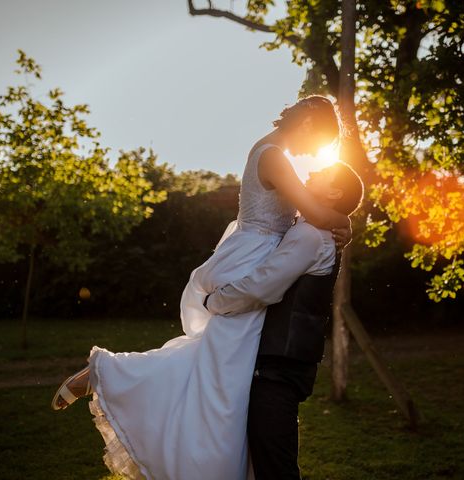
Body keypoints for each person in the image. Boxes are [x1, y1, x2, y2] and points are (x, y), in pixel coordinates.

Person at [51, 95, 352, 480]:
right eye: (318, 143)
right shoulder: (274, 155)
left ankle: (114, 381)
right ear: (310, 121)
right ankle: (108, 376)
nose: (313, 154)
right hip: (250, 264)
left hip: (254, 257)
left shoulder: (275, 153)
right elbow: (314, 212)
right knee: (222, 374)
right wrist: (344, 218)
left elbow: (305, 214)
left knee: (217, 363)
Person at [205, 162, 364, 480]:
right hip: (283, 362)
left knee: (276, 467)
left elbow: (263, 285)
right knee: (267, 461)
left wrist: (214, 301)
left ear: (334, 192)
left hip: (280, 365)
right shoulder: (312, 228)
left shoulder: (309, 235)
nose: (312, 173)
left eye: (323, 173)